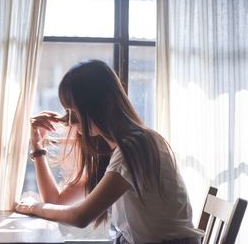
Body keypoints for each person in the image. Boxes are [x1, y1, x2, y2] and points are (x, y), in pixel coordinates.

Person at [14, 60, 203, 244]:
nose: (70, 122)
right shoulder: (117, 150)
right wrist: (37, 146)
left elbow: (81, 217)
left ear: (97, 106)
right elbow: (56, 201)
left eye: (74, 111)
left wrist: (34, 208)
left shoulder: (135, 147)